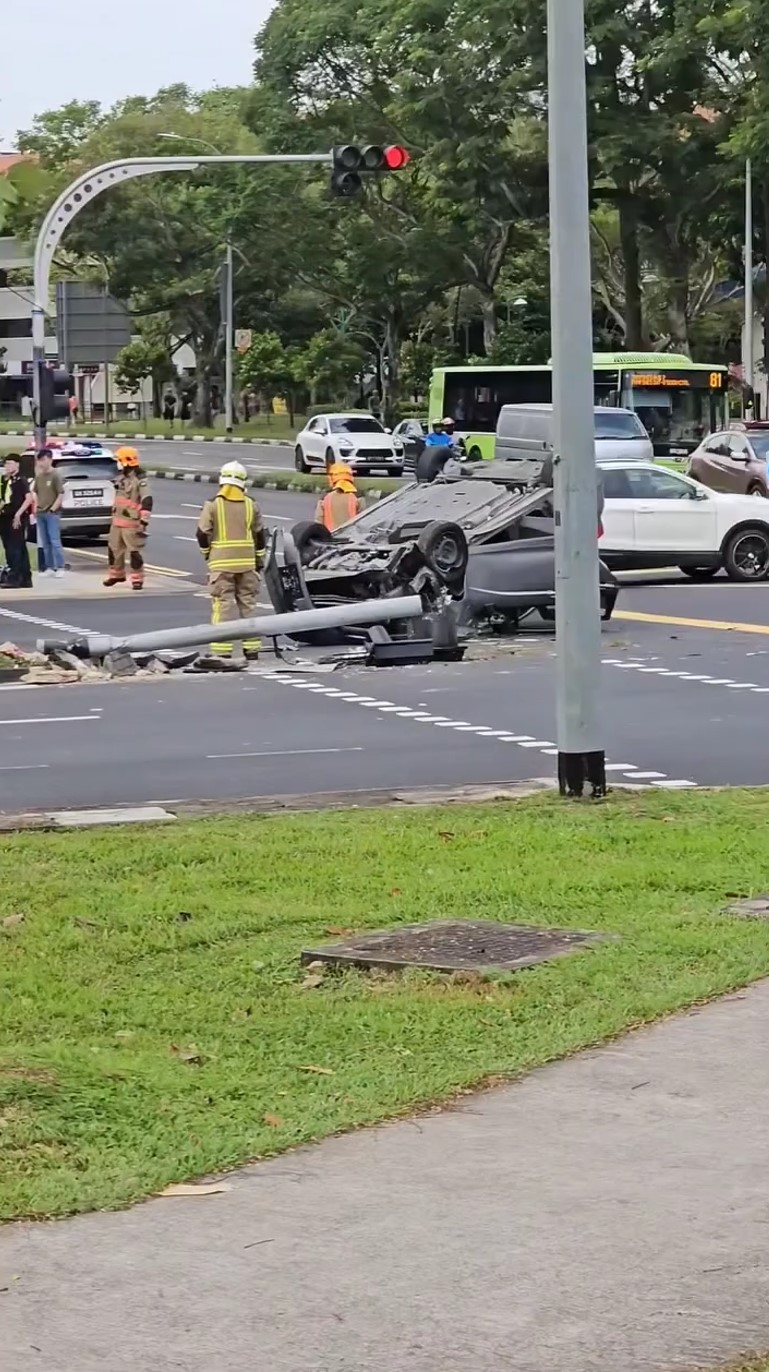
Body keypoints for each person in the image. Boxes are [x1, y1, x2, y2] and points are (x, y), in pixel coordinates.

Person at [196, 460, 265, 659]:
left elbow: (202, 533)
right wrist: (259, 559)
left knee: (223, 606)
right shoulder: (252, 505)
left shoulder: (212, 504)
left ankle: (221, 652)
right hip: (247, 564)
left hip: (221, 564)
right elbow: (260, 535)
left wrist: (207, 553)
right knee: (248, 605)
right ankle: (252, 650)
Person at [104, 447, 153, 590]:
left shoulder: (140, 480)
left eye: (119, 460)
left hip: (131, 522)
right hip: (117, 521)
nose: (117, 463)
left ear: (127, 462)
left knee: (134, 552)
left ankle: (137, 579)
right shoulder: (121, 478)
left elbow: (147, 499)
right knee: (114, 549)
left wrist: (144, 520)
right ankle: (116, 575)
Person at [0, 455, 34, 587]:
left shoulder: (21, 480)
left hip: (16, 518)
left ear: (17, 465)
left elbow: (29, 498)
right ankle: (25, 578)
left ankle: (15, 577)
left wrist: (18, 514)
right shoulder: (4, 480)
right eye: (6, 464)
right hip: (4, 517)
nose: (7, 466)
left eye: (10, 463)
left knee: (14, 548)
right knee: (15, 547)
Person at [32, 448, 65, 578]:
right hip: (40, 512)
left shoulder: (56, 475)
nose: (41, 463)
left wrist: (53, 509)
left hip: (52, 513)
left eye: (44, 460)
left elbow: (61, 494)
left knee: (54, 540)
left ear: (50, 459)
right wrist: (35, 507)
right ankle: (49, 566)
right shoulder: (39, 476)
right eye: (39, 460)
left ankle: (60, 566)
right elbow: (35, 492)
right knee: (45, 542)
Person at [315, 464, 364, 531]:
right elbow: (364, 521)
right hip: (352, 537)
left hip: (330, 537)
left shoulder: (325, 498)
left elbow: (318, 521)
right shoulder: (358, 497)